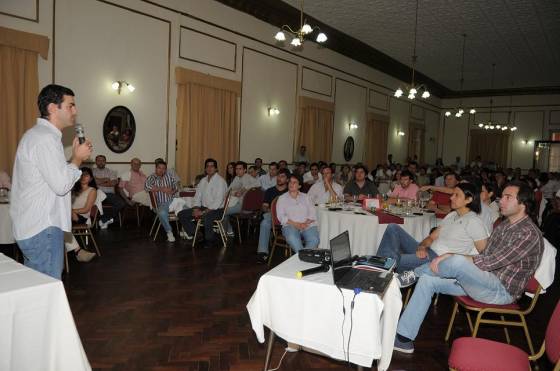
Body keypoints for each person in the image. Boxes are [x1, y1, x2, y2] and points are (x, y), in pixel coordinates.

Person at [393, 181, 544, 354]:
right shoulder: (504, 225)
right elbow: (484, 256)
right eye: (502, 196)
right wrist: (454, 259)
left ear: (523, 203)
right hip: (483, 280)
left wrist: (451, 256)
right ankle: (404, 339)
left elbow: (490, 262)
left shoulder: (528, 234)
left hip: (501, 291)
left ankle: (411, 274)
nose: (501, 201)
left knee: (456, 261)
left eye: (507, 197)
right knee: (428, 280)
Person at [10, 84, 92, 279]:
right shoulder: (45, 139)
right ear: (53, 108)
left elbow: (53, 179)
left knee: (37, 287)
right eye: (70, 105)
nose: (75, 111)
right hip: (43, 227)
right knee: (47, 288)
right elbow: (61, 185)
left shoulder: (38, 136)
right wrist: (77, 159)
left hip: (35, 226)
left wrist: (74, 159)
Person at [378, 183, 488, 275]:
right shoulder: (452, 215)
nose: (451, 197)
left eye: (456, 195)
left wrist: (451, 258)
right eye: (452, 194)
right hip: (427, 251)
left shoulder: (474, 221)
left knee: (392, 260)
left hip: (438, 260)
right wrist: (422, 246)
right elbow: (431, 237)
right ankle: (385, 268)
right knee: (393, 228)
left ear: (468, 199)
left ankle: (381, 270)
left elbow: (484, 256)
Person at [178, 158, 227, 247]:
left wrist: (203, 211)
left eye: (212, 166)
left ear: (216, 169)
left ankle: (210, 239)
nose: (209, 168)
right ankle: (197, 235)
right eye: (207, 166)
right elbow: (197, 196)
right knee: (181, 214)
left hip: (217, 210)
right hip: (203, 207)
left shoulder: (220, 181)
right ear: (205, 169)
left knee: (207, 217)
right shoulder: (203, 181)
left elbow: (218, 202)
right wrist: (196, 208)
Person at [276, 174, 319, 252]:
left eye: (294, 182)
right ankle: (303, 258)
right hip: (290, 225)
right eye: (290, 182)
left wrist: (305, 223)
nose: (291, 184)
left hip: (307, 225)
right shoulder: (282, 198)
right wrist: (296, 224)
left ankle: (302, 259)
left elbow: (313, 212)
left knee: (315, 239)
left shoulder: (306, 197)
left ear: (299, 186)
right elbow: (281, 216)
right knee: (293, 238)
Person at [256, 168, 290, 263]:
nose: (279, 178)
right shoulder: (270, 191)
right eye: (278, 176)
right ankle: (263, 253)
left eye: (282, 176)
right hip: (272, 216)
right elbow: (264, 206)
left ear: (287, 180)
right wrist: (269, 210)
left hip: (287, 218)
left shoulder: (290, 192)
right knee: (265, 222)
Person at [67, 167, 97, 262]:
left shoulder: (92, 190)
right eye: (81, 175)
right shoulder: (73, 190)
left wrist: (72, 211)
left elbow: (86, 209)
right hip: (70, 215)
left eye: (86, 175)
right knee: (61, 226)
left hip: (81, 217)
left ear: (91, 178)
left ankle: (78, 251)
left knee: (60, 223)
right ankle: (78, 251)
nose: (83, 177)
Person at [224, 161, 260, 236]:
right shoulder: (237, 177)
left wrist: (244, 189)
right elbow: (229, 190)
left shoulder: (247, 177)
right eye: (236, 169)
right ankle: (227, 230)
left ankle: (228, 231)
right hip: (237, 203)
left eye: (240, 169)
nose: (237, 171)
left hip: (244, 206)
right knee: (222, 209)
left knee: (222, 212)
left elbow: (258, 184)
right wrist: (234, 192)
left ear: (245, 170)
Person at [145, 159, 177, 242]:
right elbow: (147, 187)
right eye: (159, 168)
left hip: (172, 201)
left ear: (165, 169)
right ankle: (169, 232)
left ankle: (187, 231)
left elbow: (176, 187)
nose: (161, 170)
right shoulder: (152, 177)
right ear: (156, 168)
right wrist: (163, 189)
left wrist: (172, 190)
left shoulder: (169, 176)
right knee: (162, 213)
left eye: (163, 168)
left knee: (186, 208)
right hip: (160, 203)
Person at [93, 154, 126, 228]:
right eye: (99, 160)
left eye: (102, 161)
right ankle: (106, 220)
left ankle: (104, 219)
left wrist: (98, 181)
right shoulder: (92, 171)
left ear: (105, 162)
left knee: (121, 203)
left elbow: (113, 183)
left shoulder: (111, 171)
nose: (101, 162)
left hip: (109, 195)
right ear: (96, 162)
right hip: (96, 194)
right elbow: (92, 183)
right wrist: (105, 180)